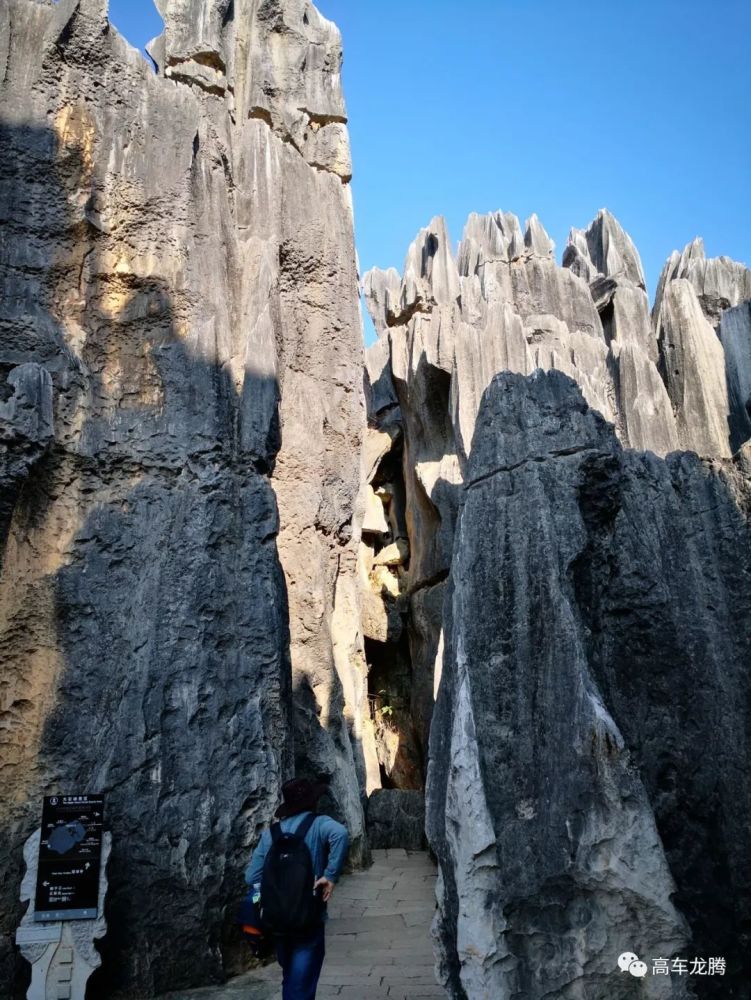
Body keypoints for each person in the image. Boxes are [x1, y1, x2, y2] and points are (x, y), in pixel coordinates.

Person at [245, 777, 349, 1000]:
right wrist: (330, 876)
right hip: (308, 915)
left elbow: (251, 876)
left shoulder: (271, 833)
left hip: (277, 919)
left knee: (290, 976)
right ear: (312, 802)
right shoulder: (320, 824)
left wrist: (272, 895)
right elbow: (340, 834)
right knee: (302, 982)